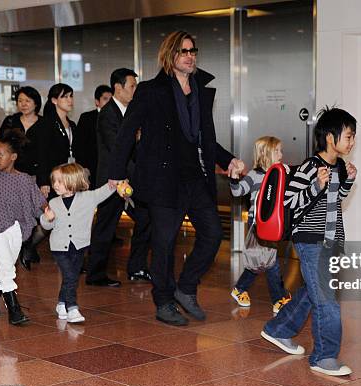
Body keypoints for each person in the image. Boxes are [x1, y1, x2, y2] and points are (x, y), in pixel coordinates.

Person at [108, 31, 245, 326]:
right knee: (165, 242)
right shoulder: (150, 91)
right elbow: (126, 133)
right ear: (170, 55)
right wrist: (116, 175)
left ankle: (185, 288)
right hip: (162, 179)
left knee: (212, 234)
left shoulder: (200, 91)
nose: (190, 55)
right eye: (184, 51)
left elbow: (204, 139)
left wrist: (227, 159)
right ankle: (164, 300)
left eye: (193, 50)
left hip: (196, 177)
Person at [260, 107, 357, 376]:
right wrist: (315, 186)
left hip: (329, 241)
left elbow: (333, 204)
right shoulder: (309, 167)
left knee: (311, 292)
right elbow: (290, 202)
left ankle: (278, 329)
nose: (352, 142)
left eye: (352, 137)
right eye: (348, 136)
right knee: (326, 300)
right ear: (329, 137)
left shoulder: (337, 166)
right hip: (310, 241)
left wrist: (347, 181)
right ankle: (324, 357)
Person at [0, 130, 46, 325]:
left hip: (15, 228)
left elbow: (39, 199)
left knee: (5, 268)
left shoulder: (24, 180)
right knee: (6, 268)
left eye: (0, 155)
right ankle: (14, 311)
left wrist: (49, 211)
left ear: (13, 157)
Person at [86, 68, 149, 287]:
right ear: (118, 88)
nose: (134, 90)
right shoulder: (108, 113)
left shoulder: (129, 111)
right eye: (132, 86)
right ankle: (95, 274)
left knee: (145, 218)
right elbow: (117, 149)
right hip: (112, 180)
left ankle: (137, 267)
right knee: (106, 226)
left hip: (129, 179)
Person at [41, 163, 116, 323]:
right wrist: (48, 219)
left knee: (71, 276)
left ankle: (61, 303)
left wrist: (115, 182)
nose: (55, 185)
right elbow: (47, 225)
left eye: (59, 181)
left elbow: (105, 191)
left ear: (73, 181)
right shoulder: (54, 202)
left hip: (79, 246)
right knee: (70, 276)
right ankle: (72, 308)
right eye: (54, 181)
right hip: (59, 247)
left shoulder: (88, 198)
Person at [230, 136, 292, 314]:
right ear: (266, 153)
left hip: (272, 225)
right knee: (270, 262)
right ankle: (278, 299)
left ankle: (239, 289)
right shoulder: (254, 175)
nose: (281, 154)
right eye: (277, 150)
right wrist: (234, 177)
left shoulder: (279, 173)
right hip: (257, 224)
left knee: (262, 261)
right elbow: (237, 191)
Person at [0, 86, 46, 269]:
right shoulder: (10, 121)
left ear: (36, 102)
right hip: (12, 176)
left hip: (34, 176)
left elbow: (46, 154)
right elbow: (1, 147)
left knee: (38, 214)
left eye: (27, 100)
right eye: (20, 101)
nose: (23, 104)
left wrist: (44, 180)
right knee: (16, 214)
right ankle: (21, 247)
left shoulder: (45, 123)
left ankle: (28, 245)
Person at [37, 83, 77, 199]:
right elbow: (42, 153)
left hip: (70, 175)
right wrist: (43, 181)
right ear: (54, 100)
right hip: (54, 177)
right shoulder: (46, 123)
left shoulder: (72, 125)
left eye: (71, 96)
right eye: (65, 97)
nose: (69, 100)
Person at [73, 84, 112, 188]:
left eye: (111, 99)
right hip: (91, 167)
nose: (109, 102)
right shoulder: (87, 118)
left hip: (110, 168)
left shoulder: (117, 118)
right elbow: (79, 145)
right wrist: (83, 167)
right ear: (97, 101)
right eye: (105, 99)